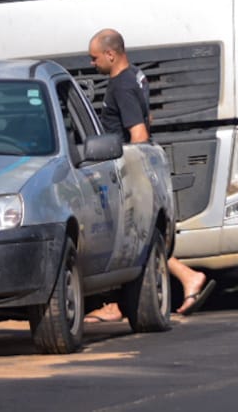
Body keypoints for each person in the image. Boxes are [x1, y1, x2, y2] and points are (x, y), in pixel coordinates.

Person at [83, 27, 216, 323]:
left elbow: (139, 132)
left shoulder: (121, 86)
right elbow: (148, 117)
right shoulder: (137, 77)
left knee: (134, 237)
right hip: (138, 168)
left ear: (110, 54)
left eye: (94, 58)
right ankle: (119, 304)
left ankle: (189, 277)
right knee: (134, 237)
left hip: (127, 170)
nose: (92, 64)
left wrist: (133, 173)